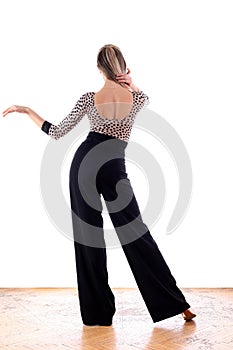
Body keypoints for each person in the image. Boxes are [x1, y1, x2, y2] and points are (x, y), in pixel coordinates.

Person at [2, 44, 196, 326]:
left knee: (89, 238)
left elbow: (57, 132)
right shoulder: (137, 98)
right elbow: (145, 97)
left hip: (85, 165)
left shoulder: (89, 99)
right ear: (122, 68)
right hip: (115, 167)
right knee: (137, 235)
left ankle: (97, 315)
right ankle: (178, 305)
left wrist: (28, 110)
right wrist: (132, 83)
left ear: (99, 68)